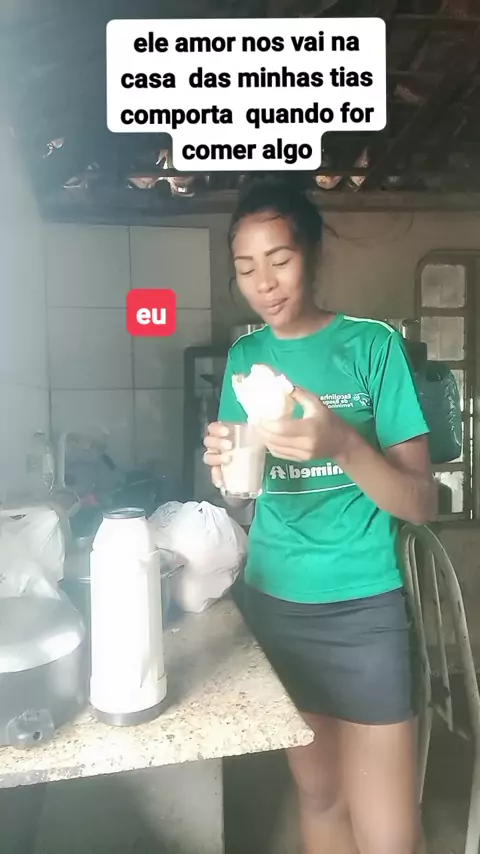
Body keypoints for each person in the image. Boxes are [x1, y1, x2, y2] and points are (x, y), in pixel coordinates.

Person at [203, 176, 436, 854]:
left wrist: (342, 443)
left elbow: (420, 503)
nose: (264, 283)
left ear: (311, 255)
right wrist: (227, 474)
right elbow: (244, 501)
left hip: (365, 608)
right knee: (321, 796)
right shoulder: (246, 357)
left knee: (389, 836)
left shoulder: (372, 347)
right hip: (277, 603)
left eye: (279, 259)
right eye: (246, 267)